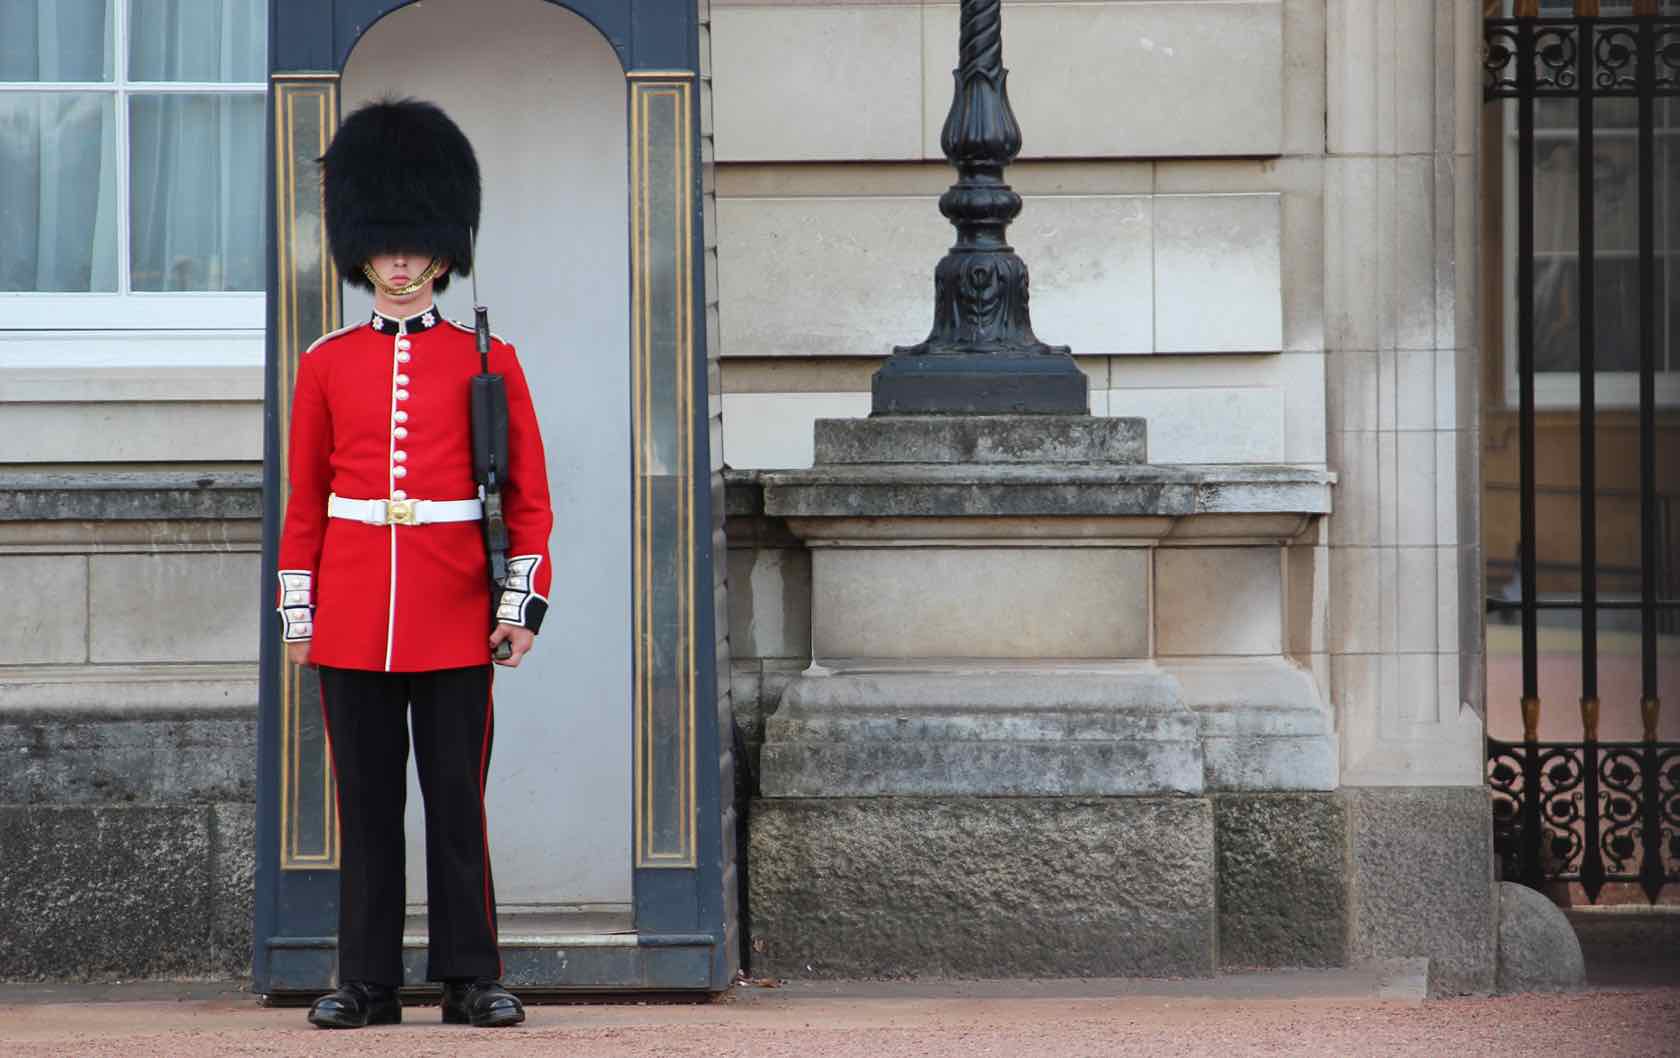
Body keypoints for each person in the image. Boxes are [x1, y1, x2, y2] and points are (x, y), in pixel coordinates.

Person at [276, 98, 552, 1030]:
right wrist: (299, 616)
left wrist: (519, 608)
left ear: (440, 251)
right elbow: (305, 500)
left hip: (453, 610)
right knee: (366, 809)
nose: (398, 263)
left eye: (413, 247)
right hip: (354, 612)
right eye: (384, 246)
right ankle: (367, 983)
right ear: (364, 251)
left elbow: (529, 501)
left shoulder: (493, 361)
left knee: (455, 808)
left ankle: (471, 978)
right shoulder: (328, 362)